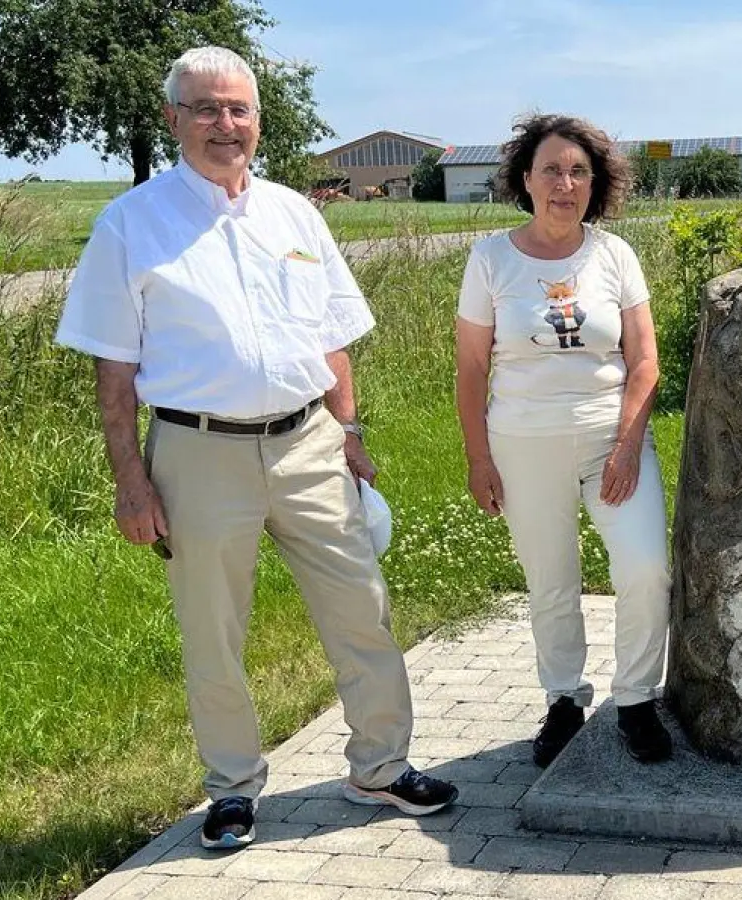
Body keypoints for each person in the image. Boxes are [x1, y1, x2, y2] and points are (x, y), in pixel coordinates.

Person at [55, 46, 455, 851]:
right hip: (198, 456)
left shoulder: (294, 213)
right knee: (214, 631)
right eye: (204, 109)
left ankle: (380, 767)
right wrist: (131, 482)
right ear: (173, 120)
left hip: (309, 441)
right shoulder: (132, 224)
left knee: (363, 611)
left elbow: (333, 335)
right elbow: (113, 370)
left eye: (238, 110)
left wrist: (350, 432)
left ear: (258, 121)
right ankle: (232, 790)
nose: (223, 125)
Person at [454, 114, 672, 768]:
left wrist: (629, 445)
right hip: (521, 442)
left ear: (594, 184)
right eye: (551, 169)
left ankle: (636, 701)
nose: (565, 183)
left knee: (645, 568)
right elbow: (470, 367)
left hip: (612, 437)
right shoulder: (491, 258)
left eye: (578, 171)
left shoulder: (614, 256)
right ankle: (563, 701)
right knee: (550, 580)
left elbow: (645, 360)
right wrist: (478, 458)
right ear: (525, 179)